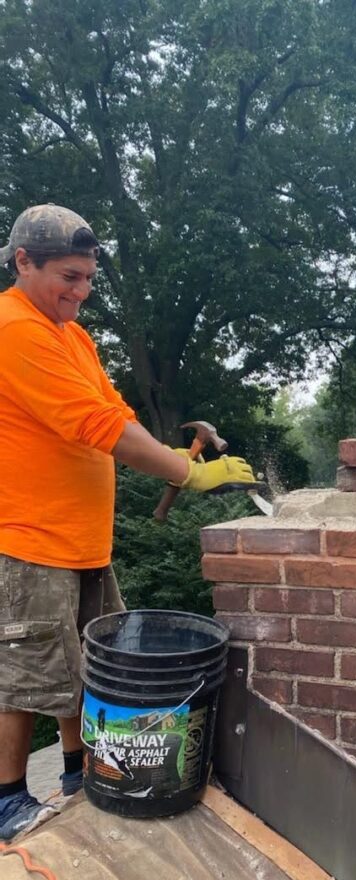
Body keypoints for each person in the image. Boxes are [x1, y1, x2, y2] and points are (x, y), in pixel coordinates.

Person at [0, 204, 256, 840]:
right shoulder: (13, 329)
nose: (81, 291)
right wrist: (188, 473)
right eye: (68, 276)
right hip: (28, 539)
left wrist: (174, 459)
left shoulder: (73, 335)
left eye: (88, 278)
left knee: (89, 662)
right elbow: (95, 426)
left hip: (83, 540)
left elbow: (112, 408)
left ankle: (73, 772)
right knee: (24, 674)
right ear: (22, 261)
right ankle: (5, 802)